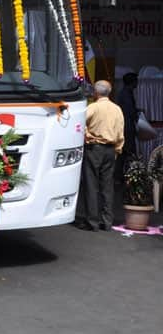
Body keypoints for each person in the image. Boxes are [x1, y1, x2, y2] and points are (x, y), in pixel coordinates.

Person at [74, 80, 125, 231]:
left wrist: (88, 135)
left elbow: (79, 123)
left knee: (91, 184)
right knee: (107, 186)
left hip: (94, 148)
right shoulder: (117, 109)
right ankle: (107, 221)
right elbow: (120, 133)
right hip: (110, 150)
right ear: (109, 92)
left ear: (96, 93)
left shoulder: (93, 107)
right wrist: (117, 150)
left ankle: (92, 221)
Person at [117, 72, 140, 162]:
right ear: (132, 82)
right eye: (136, 81)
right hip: (127, 126)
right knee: (128, 150)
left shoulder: (125, 92)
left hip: (126, 125)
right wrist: (136, 114)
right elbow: (129, 111)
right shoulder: (126, 94)